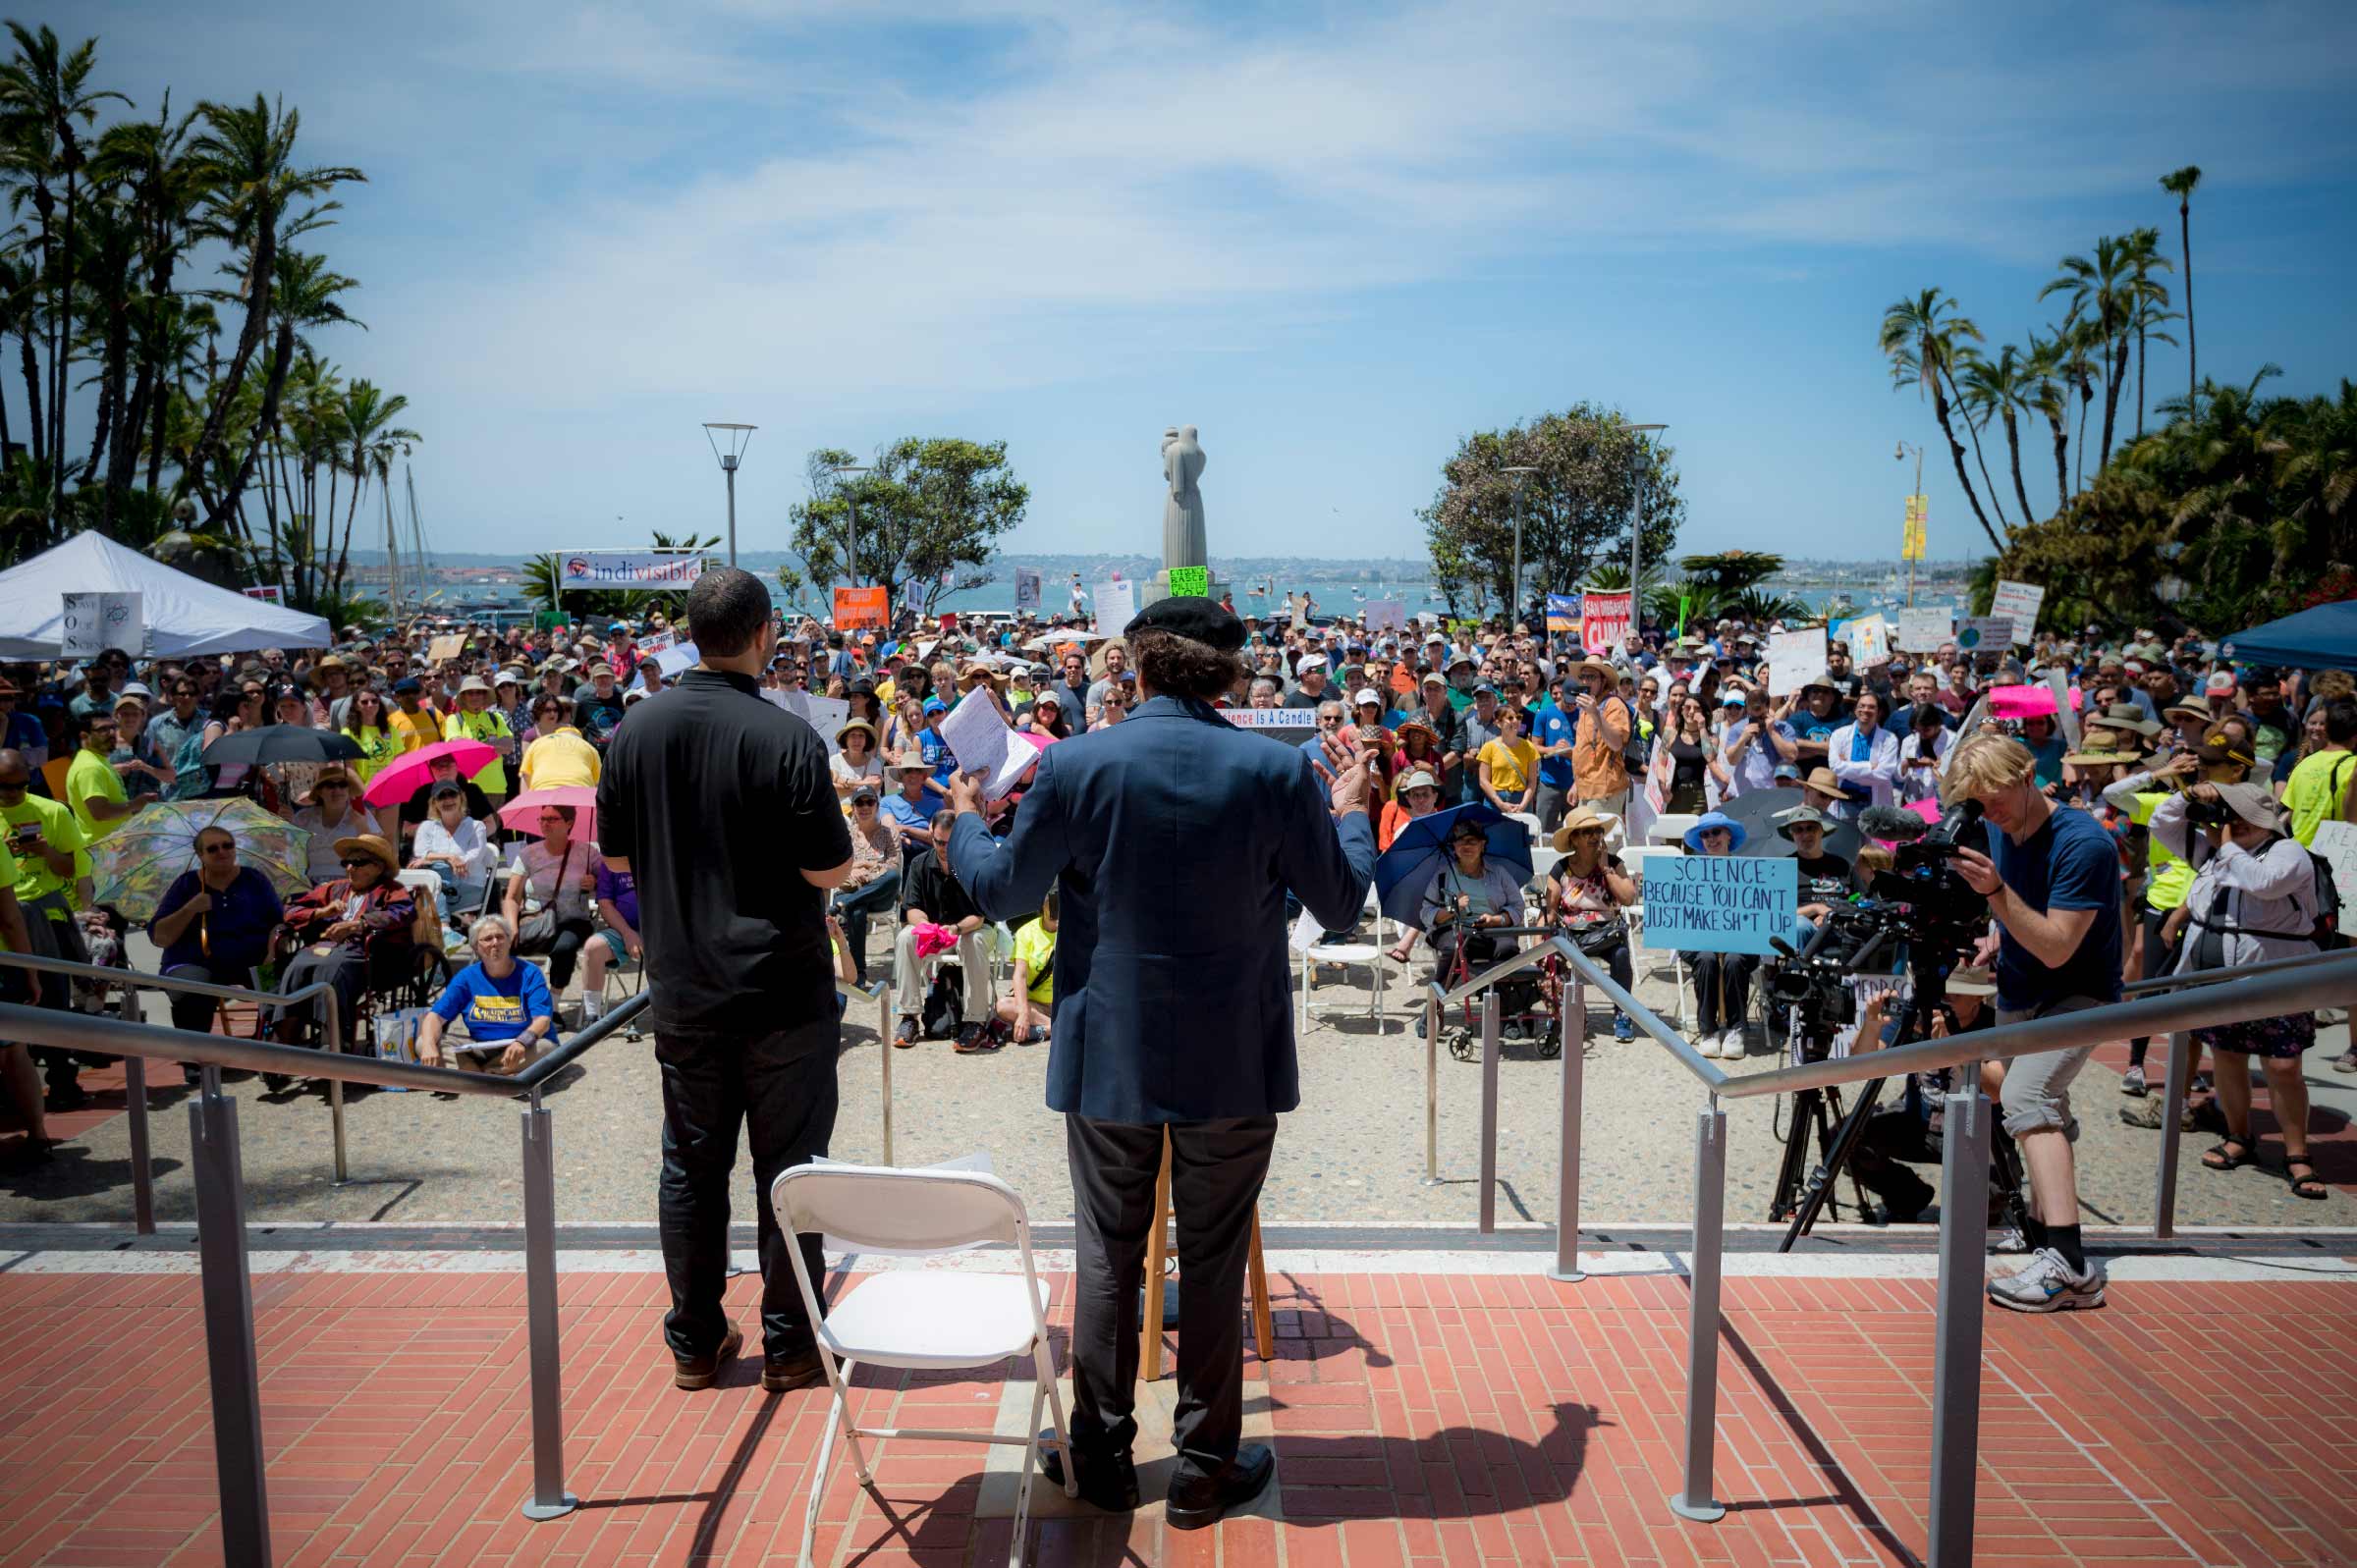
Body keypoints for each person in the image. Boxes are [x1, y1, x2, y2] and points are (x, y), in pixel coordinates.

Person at [944, 595, 1375, 1529]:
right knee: (1213, 1258)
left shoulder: (1075, 762)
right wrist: (1349, 813)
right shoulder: (1275, 769)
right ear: (1229, 676)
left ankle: (1099, 1453)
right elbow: (1341, 906)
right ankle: (1205, 1465)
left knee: (1107, 1252)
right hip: (1231, 1053)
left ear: (1132, 671)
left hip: (1112, 1054)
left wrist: (967, 819)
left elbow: (1003, 884)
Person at [596, 567, 853, 1395]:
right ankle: (788, 1343)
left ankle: (695, 1339)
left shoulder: (635, 731)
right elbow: (829, 867)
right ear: (764, 631)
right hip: (780, 989)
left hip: (684, 987)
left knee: (692, 1165)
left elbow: (618, 858)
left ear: (691, 633)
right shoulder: (786, 736)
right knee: (790, 1168)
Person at [1946, 732, 2118, 1313]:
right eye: (1978, 804)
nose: (1988, 814)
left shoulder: (2085, 844)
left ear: (2026, 776)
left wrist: (1997, 893)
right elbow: (2025, 914)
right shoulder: (1999, 823)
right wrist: (1997, 930)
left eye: (1994, 799)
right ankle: (2056, 1243)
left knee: (2027, 1092)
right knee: (2010, 1089)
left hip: (2078, 993)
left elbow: (2056, 948)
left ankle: (2065, 1260)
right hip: (2018, 990)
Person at [2153, 782, 2325, 1198]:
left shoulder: (2288, 852)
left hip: (2277, 979)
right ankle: (2239, 1136)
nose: (2233, 823)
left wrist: (2226, 843)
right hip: (2221, 979)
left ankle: (2297, 1154)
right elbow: (2161, 823)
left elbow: (2262, 882)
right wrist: (2192, 796)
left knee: (2283, 1067)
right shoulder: (2214, 852)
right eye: (2228, 814)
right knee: (2227, 1058)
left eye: (2243, 815)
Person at [271, 834, 414, 1083]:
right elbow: (290, 909)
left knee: (332, 968)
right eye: (347, 863)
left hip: (367, 953)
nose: (350, 868)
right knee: (296, 966)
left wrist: (359, 924)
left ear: (377, 867)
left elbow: (404, 913)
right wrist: (320, 912)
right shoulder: (334, 889)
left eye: (358, 862)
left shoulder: (391, 890)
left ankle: (335, 1040)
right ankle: (286, 1042)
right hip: (324, 947)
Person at [147, 825, 286, 1063]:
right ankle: (195, 1059)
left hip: (254, 958)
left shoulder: (254, 879)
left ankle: (274, 1050)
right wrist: (190, 908)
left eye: (228, 845)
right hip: (196, 960)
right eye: (212, 849)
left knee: (286, 977)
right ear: (200, 856)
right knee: (190, 986)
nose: (222, 852)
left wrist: (272, 952)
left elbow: (279, 923)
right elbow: (160, 936)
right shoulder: (186, 885)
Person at [893, 808, 997, 1051]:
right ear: (931, 833)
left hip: (970, 929)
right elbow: (912, 911)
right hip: (937, 932)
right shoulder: (919, 864)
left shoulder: (972, 864)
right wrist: (927, 927)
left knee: (976, 941)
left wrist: (955, 929)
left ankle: (976, 1021)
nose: (942, 847)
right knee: (906, 937)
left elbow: (979, 917)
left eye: (948, 843)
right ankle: (909, 1017)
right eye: (938, 841)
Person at [1541, 806, 1638, 1041]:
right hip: (1571, 934)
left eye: (1597, 831)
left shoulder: (1613, 863)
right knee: (1553, 957)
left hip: (1606, 932)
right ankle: (1564, 1011)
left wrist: (1605, 868)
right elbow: (1550, 911)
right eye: (1587, 832)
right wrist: (1539, 946)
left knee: (1622, 955)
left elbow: (1627, 898)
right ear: (1574, 839)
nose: (1595, 836)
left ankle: (1622, 1013)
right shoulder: (1561, 869)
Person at [418, 914, 557, 1075]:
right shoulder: (466, 977)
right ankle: (491, 1074)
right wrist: (429, 1046)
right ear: (476, 946)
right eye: (487, 939)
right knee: (423, 1042)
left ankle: (473, 1076)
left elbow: (543, 1020)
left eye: (500, 937)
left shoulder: (530, 973)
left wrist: (522, 1042)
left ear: (509, 941)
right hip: (481, 1047)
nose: (495, 943)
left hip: (522, 1046)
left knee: (547, 1049)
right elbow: (435, 1017)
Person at [1679, 811, 1757, 1059]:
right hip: (1699, 940)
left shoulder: (1748, 871)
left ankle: (1736, 1029)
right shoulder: (1689, 872)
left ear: (1728, 835)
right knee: (1706, 958)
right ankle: (1708, 1031)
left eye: (1716, 832)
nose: (1711, 838)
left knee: (1734, 960)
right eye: (1705, 834)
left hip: (1740, 940)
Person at [505, 803, 600, 994]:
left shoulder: (587, 853)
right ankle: (507, 999)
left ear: (569, 823)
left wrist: (595, 884)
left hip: (574, 921)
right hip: (535, 920)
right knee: (497, 944)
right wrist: (511, 926)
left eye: (552, 819)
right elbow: (511, 898)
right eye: (543, 819)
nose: (545, 824)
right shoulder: (528, 854)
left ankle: (553, 1004)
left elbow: (609, 888)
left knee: (564, 949)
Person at [831, 786, 902, 985]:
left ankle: (845, 905)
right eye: (859, 803)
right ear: (853, 807)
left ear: (877, 806)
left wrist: (866, 870)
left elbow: (893, 867)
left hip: (879, 894)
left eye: (869, 802)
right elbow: (836, 866)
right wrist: (856, 868)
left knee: (894, 878)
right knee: (858, 910)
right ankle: (859, 972)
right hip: (849, 890)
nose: (864, 807)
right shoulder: (845, 834)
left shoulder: (889, 834)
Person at [409, 783, 497, 934]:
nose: (447, 799)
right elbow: (420, 853)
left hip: (468, 886)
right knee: (430, 881)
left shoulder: (476, 826)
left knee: (426, 878)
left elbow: (472, 859)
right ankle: (444, 927)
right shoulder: (426, 827)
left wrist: (432, 861)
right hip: (438, 888)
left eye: (452, 794)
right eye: (441, 796)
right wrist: (449, 857)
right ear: (434, 803)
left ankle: (442, 926)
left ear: (461, 798)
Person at [66, 710, 154, 848]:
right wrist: (135, 804)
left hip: (112, 848)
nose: (112, 733)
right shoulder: (90, 767)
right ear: (84, 736)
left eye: (113, 727)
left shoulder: (99, 760)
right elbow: (100, 812)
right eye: (103, 729)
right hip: (102, 852)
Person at [1564, 657, 1633, 820]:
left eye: (1591, 677)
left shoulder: (1613, 705)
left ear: (1603, 681)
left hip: (1605, 790)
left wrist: (1596, 713)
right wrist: (1576, 784)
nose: (1586, 681)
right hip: (1586, 787)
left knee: (1603, 842)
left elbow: (1616, 744)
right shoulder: (1585, 708)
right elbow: (1585, 750)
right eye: (1583, 677)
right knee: (1588, 841)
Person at [993, 890, 1059, 1045]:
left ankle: (1046, 1029)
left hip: (1063, 1003)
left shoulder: (1073, 931)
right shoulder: (1026, 932)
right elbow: (1019, 975)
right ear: (1043, 906)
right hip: (1036, 1006)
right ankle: (1055, 1028)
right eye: (1053, 905)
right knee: (1003, 1006)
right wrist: (1023, 1013)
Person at [442, 676, 516, 805]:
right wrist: (493, 744)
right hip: (468, 788)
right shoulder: (455, 719)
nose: (475, 696)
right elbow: (458, 747)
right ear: (463, 697)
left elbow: (508, 746)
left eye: (479, 692)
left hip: (496, 787)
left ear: (484, 696)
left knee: (494, 826)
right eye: (470, 693)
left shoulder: (496, 717)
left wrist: (472, 744)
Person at [1828, 691, 1900, 811]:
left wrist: (1847, 768)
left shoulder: (1889, 739)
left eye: (1871, 707)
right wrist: (1869, 766)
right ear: (1855, 710)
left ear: (1879, 712)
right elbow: (1835, 768)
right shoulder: (1839, 735)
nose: (1865, 710)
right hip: (1845, 801)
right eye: (1861, 706)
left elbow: (1884, 774)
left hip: (1875, 801)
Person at [519, 695, 600, 791]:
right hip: (543, 781)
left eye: (555, 710)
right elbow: (528, 764)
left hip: (568, 777)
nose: (552, 713)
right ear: (538, 712)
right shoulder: (530, 735)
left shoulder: (569, 730)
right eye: (548, 710)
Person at [1652, 696, 1715, 815]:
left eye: (1697, 708)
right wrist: (1662, 787)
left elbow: (1709, 757)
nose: (1691, 712)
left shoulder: (1710, 737)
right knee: (1673, 832)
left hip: (1698, 796)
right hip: (1673, 794)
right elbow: (1661, 763)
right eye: (1687, 707)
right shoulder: (1669, 734)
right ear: (1681, 710)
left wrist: (1701, 728)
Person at [1474, 703, 1538, 817]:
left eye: (1518, 717)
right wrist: (1499, 803)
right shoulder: (1489, 747)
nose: (1515, 721)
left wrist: (1523, 804)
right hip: (1495, 801)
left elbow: (1532, 781)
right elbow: (1483, 780)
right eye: (1510, 718)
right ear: (1498, 723)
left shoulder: (1529, 747)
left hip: (1521, 800)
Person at [830, 720, 885, 800]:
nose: (857, 740)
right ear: (846, 739)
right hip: (841, 810)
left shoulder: (875, 763)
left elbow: (874, 786)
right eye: (853, 735)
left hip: (869, 809)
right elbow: (833, 789)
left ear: (867, 740)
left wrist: (845, 781)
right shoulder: (835, 760)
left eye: (861, 735)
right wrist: (864, 783)